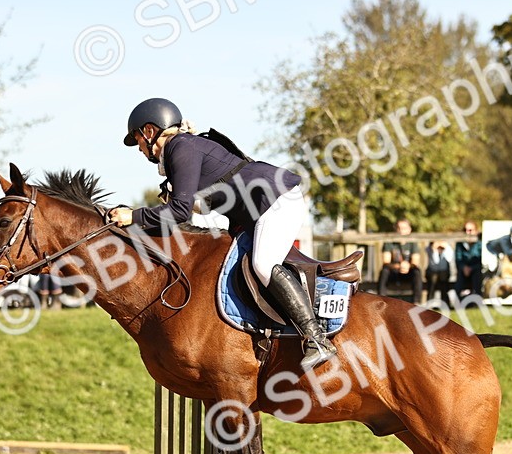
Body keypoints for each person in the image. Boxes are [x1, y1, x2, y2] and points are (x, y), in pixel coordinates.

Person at [108, 98, 334, 370]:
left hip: (274, 200)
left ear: (148, 130)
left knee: (263, 264)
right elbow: (196, 206)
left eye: (138, 139)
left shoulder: (181, 146)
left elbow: (179, 212)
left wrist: (134, 216)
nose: (139, 149)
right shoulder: (183, 147)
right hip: (254, 211)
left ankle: (316, 338)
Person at [378, 218, 423, 305]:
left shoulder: (413, 242)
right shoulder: (389, 242)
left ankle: (417, 303)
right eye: (399, 228)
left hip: (408, 273)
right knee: (384, 271)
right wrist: (398, 266)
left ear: (409, 229)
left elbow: (415, 261)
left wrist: (408, 266)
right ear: (396, 229)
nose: (401, 231)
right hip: (393, 273)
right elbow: (386, 261)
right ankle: (381, 301)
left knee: (417, 271)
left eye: (404, 228)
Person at [453, 221, 483, 299]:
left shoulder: (480, 244)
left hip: (477, 270)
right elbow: (458, 259)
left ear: (476, 231)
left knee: (477, 275)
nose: (467, 232)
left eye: (470, 230)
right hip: (463, 270)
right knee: (460, 276)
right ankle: (460, 301)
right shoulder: (460, 244)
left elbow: (481, 260)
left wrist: (471, 268)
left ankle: (477, 300)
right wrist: (464, 267)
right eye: (465, 230)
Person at [424, 240, 451, 305]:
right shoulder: (430, 249)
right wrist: (434, 249)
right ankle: (430, 303)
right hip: (433, 272)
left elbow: (449, 258)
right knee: (433, 279)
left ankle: (445, 302)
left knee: (443, 279)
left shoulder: (447, 248)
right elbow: (435, 261)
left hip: (444, 272)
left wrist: (444, 247)